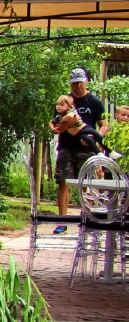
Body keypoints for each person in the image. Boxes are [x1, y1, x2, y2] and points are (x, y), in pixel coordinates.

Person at [54, 68, 107, 215]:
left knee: (87, 184)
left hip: (86, 150)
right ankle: (62, 220)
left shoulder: (94, 101)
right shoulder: (65, 101)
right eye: (74, 83)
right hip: (66, 147)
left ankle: (87, 218)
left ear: (86, 82)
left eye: (80, 83)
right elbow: (57, 124)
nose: (78, 86)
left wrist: (93, 138)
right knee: (64, 182)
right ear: (70, 84)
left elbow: (104, 125)